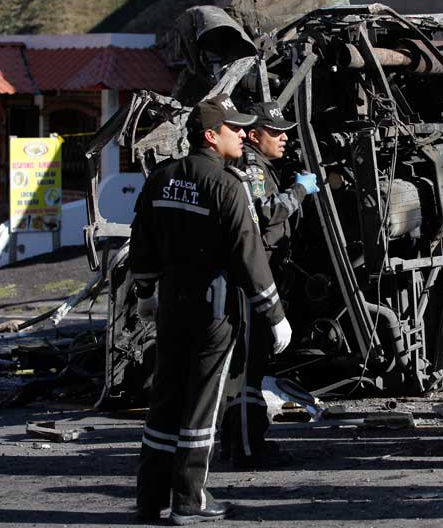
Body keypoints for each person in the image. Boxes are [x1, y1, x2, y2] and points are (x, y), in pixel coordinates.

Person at [130, 94, 293, 524]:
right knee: (202, 404)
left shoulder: (161, 179)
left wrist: (145, 293)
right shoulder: (227, 184)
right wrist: (274, 314)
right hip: (213, 310)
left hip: (170, 306)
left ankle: (151, 498)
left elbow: (141, 243)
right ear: (210, 135)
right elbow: (248, 252)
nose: (243, 133)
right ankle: (189, 500)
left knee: (165, 399)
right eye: (233, 128)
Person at [222, 100, 320, 469]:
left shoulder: (258, 164)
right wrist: (298, 191)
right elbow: (265, 213)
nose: (283, 138)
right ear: (252, 134)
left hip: (260, 273)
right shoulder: (251, 167)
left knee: (248, 364)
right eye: (275, 132)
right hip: (254, 277)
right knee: (250, 363)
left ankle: (238, 441)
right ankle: (248, 446)